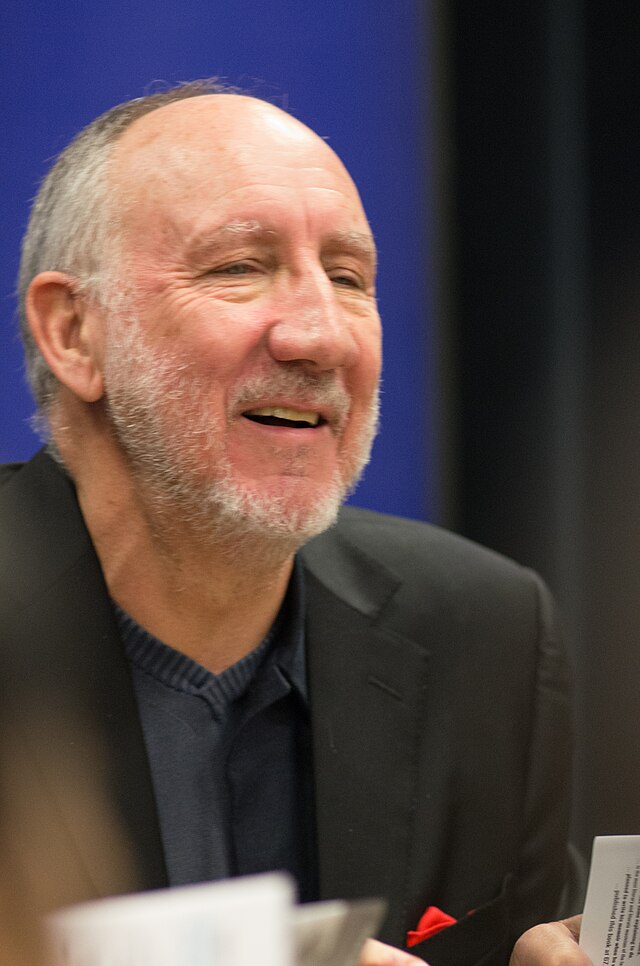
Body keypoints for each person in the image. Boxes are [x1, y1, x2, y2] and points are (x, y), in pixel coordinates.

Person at [1, 79, 579, 965]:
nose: (320, 336)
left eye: (348, 279)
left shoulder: (482, 628)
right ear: (74, 332)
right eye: (238, 267)